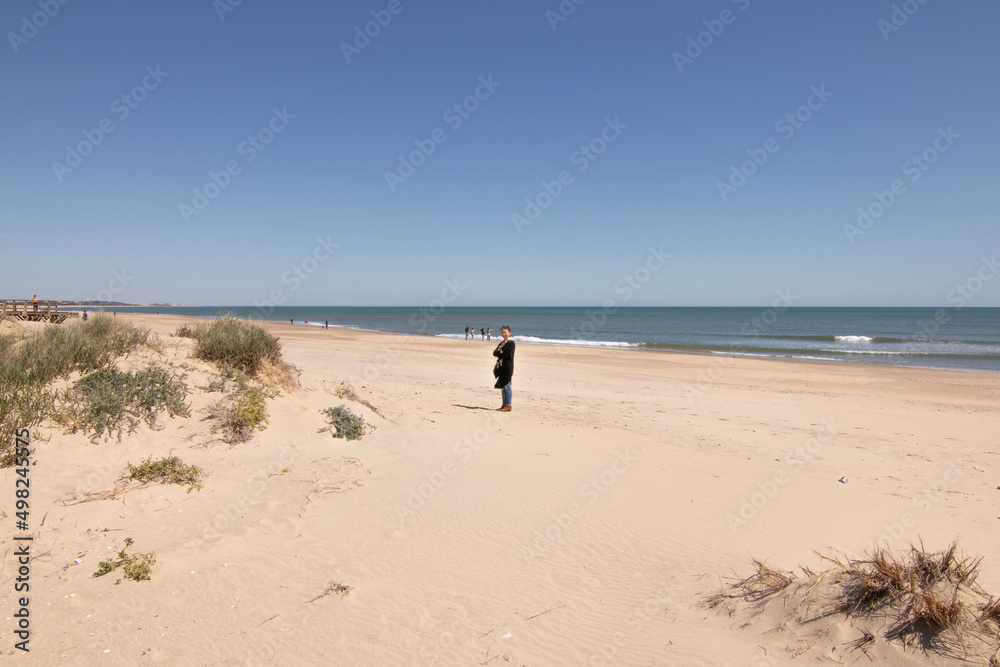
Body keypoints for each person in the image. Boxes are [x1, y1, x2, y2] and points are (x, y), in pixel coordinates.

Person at [492, 325, 515, 412]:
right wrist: (500, 352)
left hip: (507, 367)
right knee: (503, 386)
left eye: (505, 332)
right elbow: (494, 353)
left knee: (507, 385)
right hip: (501, 367)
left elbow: (506, 355)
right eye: (502, 332)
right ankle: (504, 404)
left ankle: (508, 404)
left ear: (509, 333)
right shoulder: (501, 343)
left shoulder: (511, 343)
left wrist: (500, 352)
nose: (504, 334)